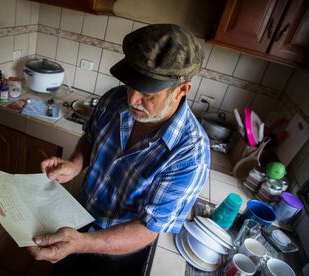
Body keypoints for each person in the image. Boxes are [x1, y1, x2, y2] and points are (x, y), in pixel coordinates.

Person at [27, 24, 210, 275]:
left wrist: (83, 244)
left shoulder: (190, 155)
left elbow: (149, 228)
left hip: (119, 253)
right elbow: (91, 138)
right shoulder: (114, 99)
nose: (133, 100)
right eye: (131, 85)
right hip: (77, 221)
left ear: (182, 89)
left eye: (147, 93)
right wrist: (75, 165)